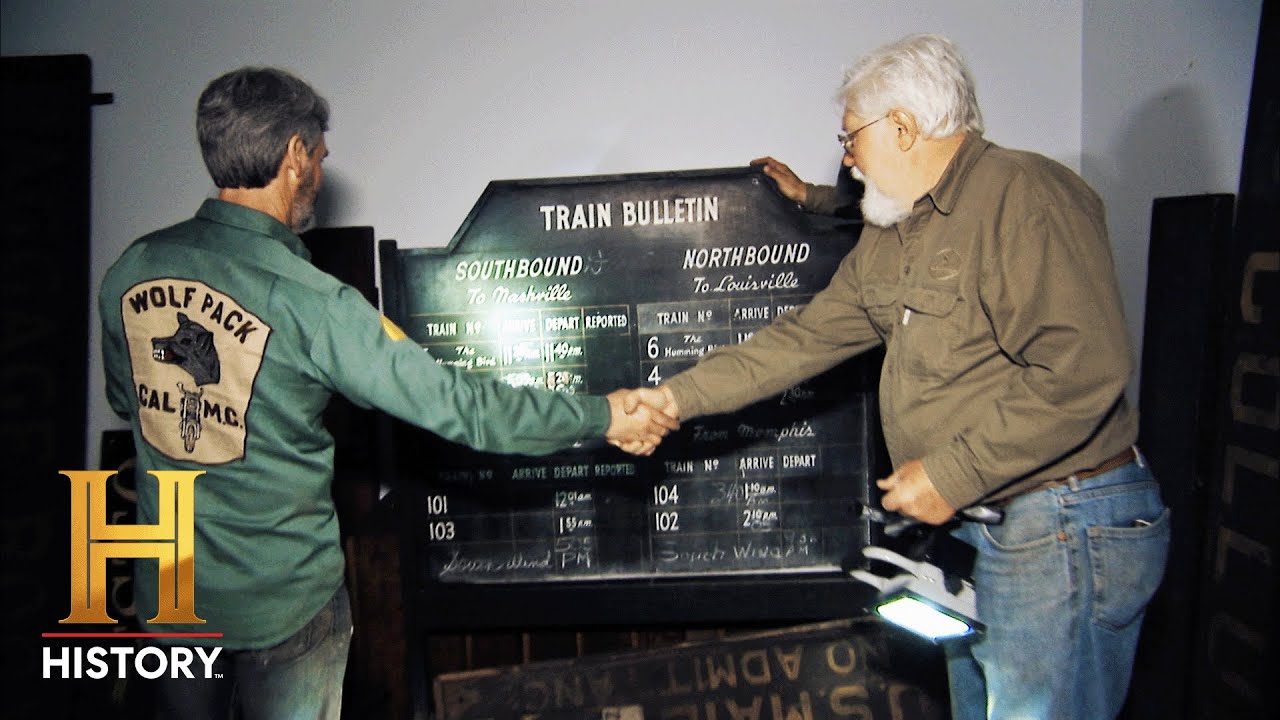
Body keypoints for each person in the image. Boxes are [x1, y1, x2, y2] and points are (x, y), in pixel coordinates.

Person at [98, 66, 676, 720]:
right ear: (295, 154)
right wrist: (603, 414)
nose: (321, 169)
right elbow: (463, 408)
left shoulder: (132, 268)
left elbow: (128, 400)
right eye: (320, 154)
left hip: (172, 598)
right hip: (283, 610)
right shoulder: (312, 301)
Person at [626, 33, 1170, 719]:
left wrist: (951, 474)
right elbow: (802, 340)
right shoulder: (894, 226)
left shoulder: (1028, 196)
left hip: (1060, 525)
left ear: (904, 128)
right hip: (981, 526)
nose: (847, 158)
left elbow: (1083, 369)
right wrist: (671, 398)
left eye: (851, 136)